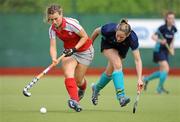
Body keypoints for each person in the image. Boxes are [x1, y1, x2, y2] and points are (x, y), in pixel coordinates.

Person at [46, 4, 94, 112]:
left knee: (78, 81)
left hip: (85, 51)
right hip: (69, 53)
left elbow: (85, 37)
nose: (54, 22)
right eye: (51, 19)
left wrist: (74, 49)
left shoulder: (70, 24)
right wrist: (54, 58)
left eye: (56, 19)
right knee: (68, 73)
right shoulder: (52, 29)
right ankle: (75, 100)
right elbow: (52, 46)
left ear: (61, 15)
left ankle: (82, 88)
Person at [90, 19, 143, 107]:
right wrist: (90, 44)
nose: (118, 38)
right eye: (117, 35)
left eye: (121, 37)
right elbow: (96, 31)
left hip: (121, 49)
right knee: (118, 65)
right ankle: (121, 97)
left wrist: (139, 79)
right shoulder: (108, 29)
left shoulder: (133, 38)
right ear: (115, 31)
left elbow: (138, 60)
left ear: (128, 34)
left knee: (109, 73)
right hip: (108, 45)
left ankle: (96, 88)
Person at [143, 11, 177, 94]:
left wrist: (172, 48)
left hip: (166, 51)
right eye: (169, 18)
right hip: (158, 50)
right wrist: (161, 41)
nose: (171, 20)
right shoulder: (162, 28)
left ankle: (146, 79)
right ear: (166, 19)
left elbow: (172, 39)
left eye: (172, 18)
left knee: (163, 71)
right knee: (166, 69)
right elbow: (153, 37)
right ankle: (159, 89)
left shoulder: (174, 29)